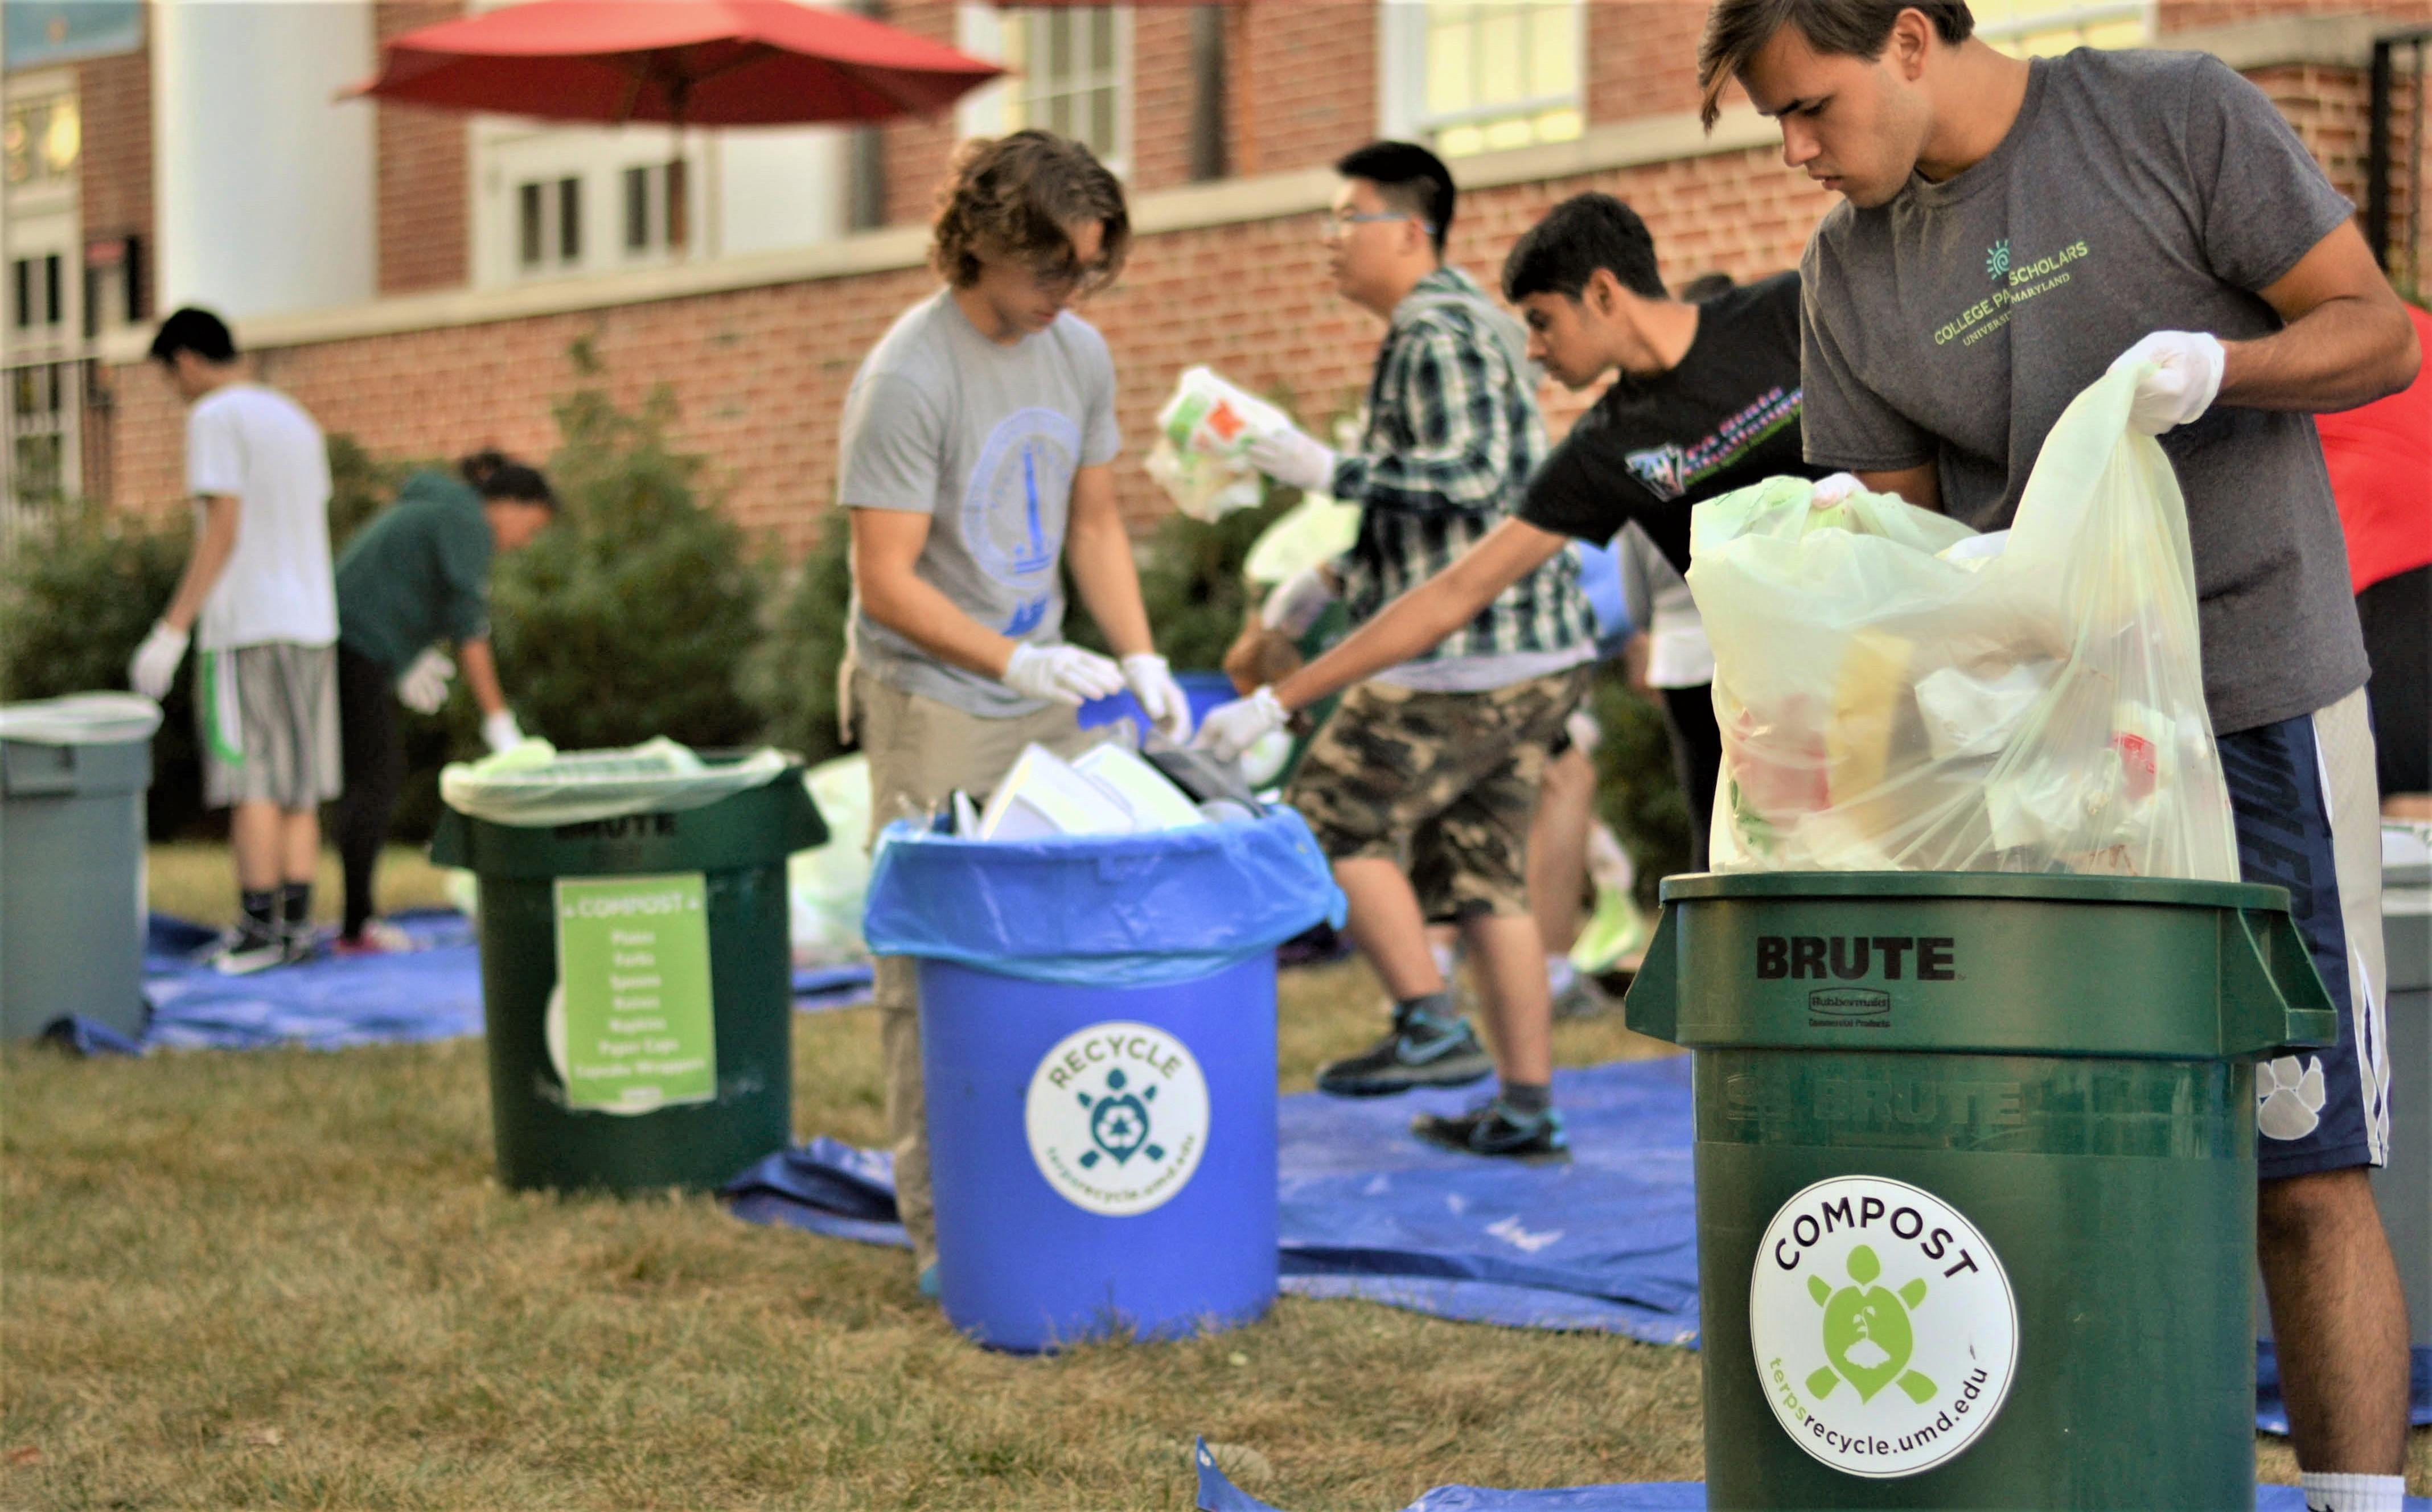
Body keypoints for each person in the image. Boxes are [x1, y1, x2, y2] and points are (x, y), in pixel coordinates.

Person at [1698, 2, 2423, 1504]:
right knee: (2062, 1139)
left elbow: (2376, 333)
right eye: (1777, 122)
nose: (1797, 150)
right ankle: (2101, 1475)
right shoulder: (1849, 273)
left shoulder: (2170, 115)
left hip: (2255, 697)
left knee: (2304, 1155)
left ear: (1908, 38)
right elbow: (1900, 549)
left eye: (1812, 107)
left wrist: (2220, 372)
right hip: (2045, 745)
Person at [1199, 191, 1815, 883]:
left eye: (1542, 321)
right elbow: (1456, 591)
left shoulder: (1786, 313)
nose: (1534, 349)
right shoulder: (1607, 447)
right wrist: (1279, 698)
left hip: (1890, 652)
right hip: (1767, 702)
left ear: (1604, 293)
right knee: (1740, 889)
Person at [839, 129, 1192, 1295]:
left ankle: (1063, 1170)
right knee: (931, 959)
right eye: (1053, 269)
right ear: (982, 245)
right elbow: (884, 577)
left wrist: (1138, 658)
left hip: (1043, 682)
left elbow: (1094, 521)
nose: (1072, 294)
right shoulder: (909, 375)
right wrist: (1011, 659)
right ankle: (948, 1235)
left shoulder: (1077, 352)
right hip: (933, 694)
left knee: (1084, 919)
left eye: (1089, 269)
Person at [1202, 141, 1599, 1162]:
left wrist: (1323, 465)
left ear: (1409, 230)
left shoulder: (1436, 328)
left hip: (1468, 654)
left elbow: (1474, 479)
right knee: (1484, 877)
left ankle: (1428, 1025)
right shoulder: (1448, 325)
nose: (1329, 242)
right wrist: (1313, 588)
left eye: (1346, 219)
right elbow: (1436, 520)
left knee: (1326, 812)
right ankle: (1523, 1108)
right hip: (1526, 653)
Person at [129, 307, 342, 974]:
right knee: (299, 786)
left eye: (171, 378)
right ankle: (297, 928)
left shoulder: (215, 418)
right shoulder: (296, 421)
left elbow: (222, 525)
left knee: (251, 780)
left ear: (187, 360)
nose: (176, 393)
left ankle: (257, 930)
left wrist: (172, 628)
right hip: (312, 624)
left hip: (245, 626)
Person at [330, 450, 556, 953]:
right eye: (531, 527)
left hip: (351, 643)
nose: (523, 542)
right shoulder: (466, 522)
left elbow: (406, 585)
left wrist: (405, 656)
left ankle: (352, 922)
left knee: (372, 775)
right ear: (510, 505)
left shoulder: (441, 511)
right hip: (350, 646)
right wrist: (499, 721)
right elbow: (469, 629)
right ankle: (355, 928)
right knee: (376, 777)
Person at [2315, 299, 2432, 820]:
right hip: (2401, 552)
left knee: (2405, 795)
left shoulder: (2274, 345)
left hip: (2396, 561)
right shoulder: (2404, 322)